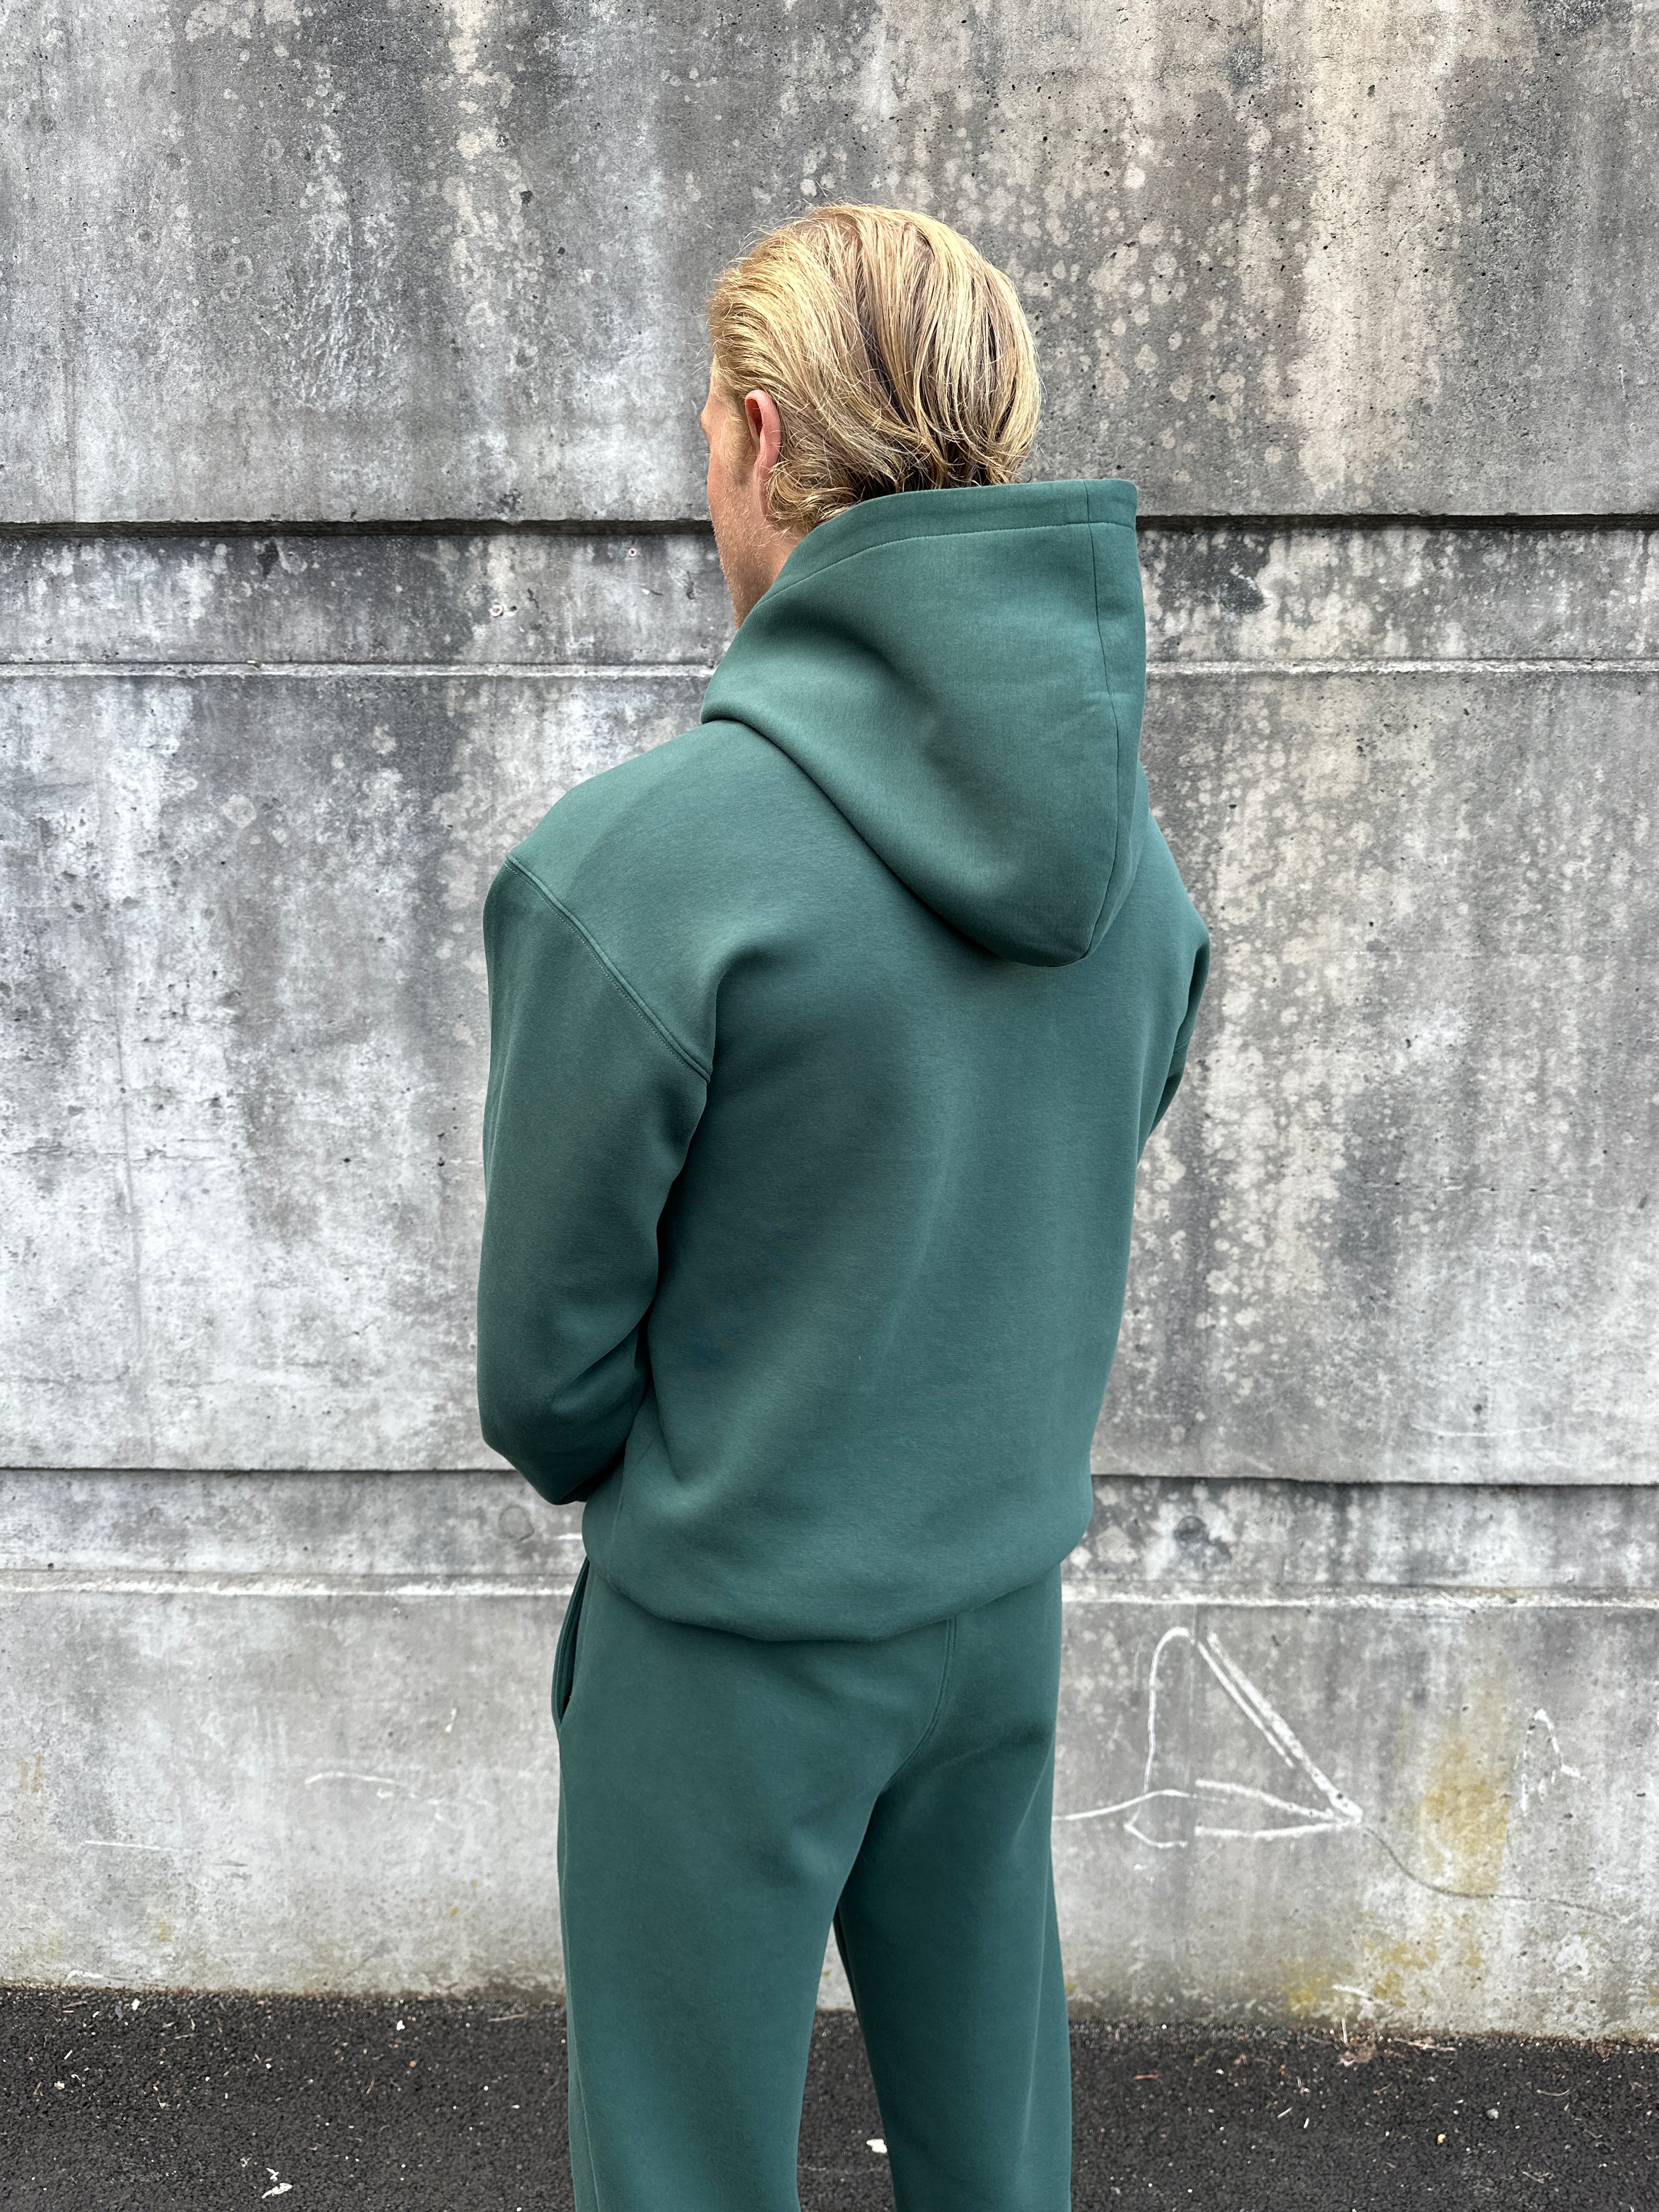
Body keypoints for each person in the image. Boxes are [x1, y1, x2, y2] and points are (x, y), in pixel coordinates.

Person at [476, 203, 1209, 2212]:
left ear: (759, 434)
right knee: (996, 2149)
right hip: (995, 1611)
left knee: (683, 2168)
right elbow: (1061, 1170)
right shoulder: (1126, 867)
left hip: (732, 1629)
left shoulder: (634, 870)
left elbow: (543, 1378)